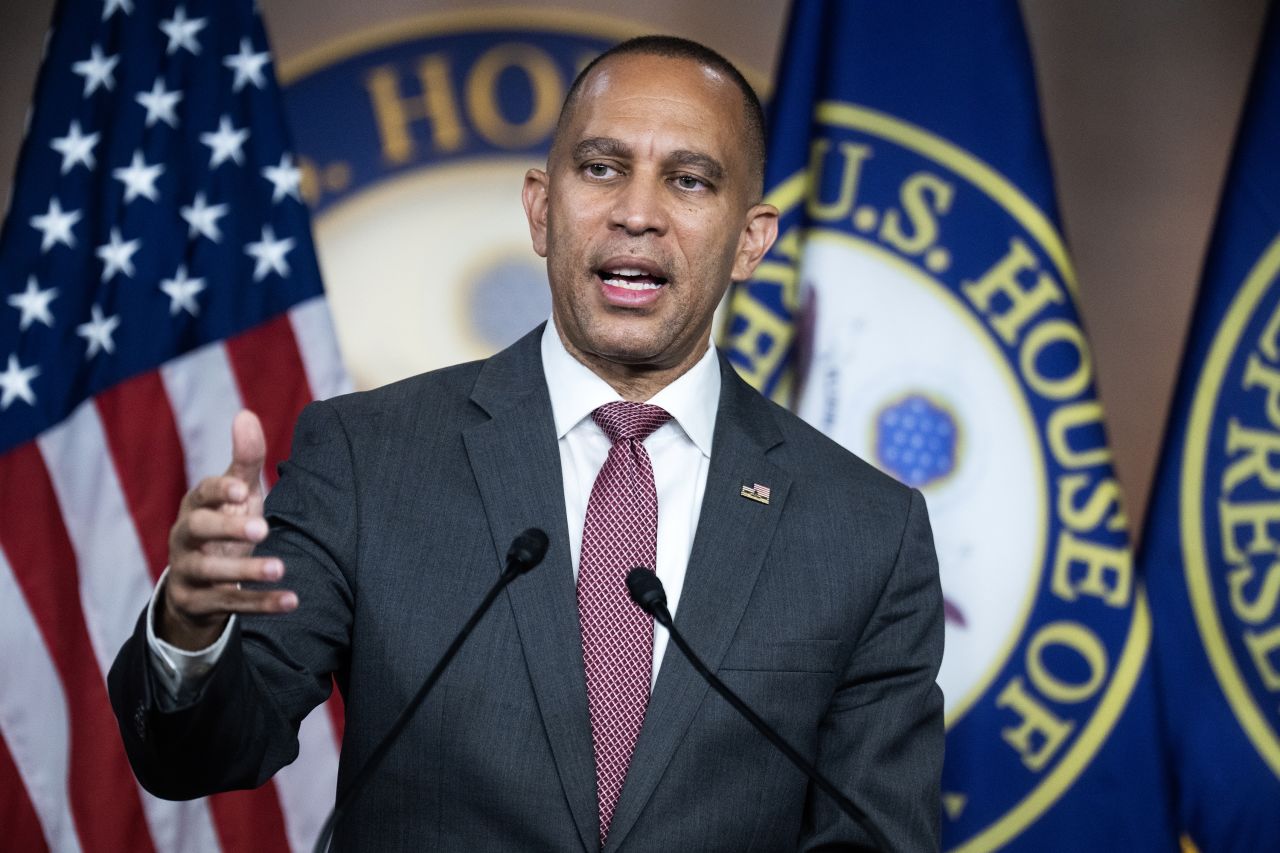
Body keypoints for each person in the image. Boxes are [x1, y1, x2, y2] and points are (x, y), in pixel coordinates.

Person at [109, 35, 944, 851]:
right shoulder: (369, 457)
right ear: (543, 209)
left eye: (688, 180)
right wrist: (190, 627)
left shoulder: (866, 530)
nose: (637, 213)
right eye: (602, 168)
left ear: (751, 240)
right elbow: (201, 758)